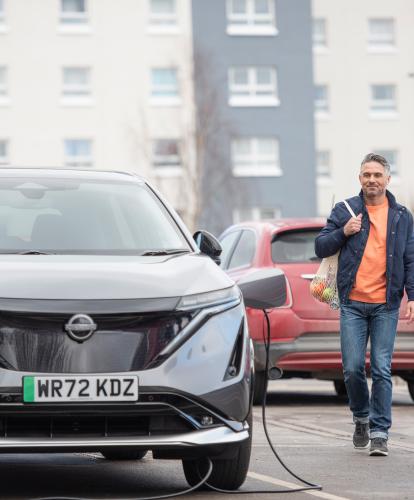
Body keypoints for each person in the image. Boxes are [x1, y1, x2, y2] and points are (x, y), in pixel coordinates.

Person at [315, 153, 414, 456]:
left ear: (387, 179)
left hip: (386, 304)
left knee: (382, 369)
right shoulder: (345, 210)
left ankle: (380, 432)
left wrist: (412, 296)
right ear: (360, 178)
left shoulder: (401, 215)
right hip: (353, 303)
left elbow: (410, 258)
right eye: (366, 174)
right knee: (353, 368)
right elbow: (320, 245)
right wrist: (343, 232)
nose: (372, 180)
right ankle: (361, 416)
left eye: (377, 175)